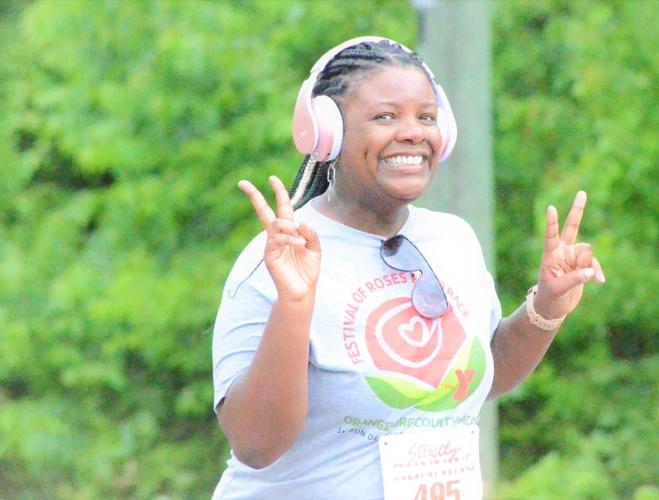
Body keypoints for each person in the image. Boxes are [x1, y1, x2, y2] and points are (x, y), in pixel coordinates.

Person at [211, 36, 605, 499]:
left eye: (426, 116)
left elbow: (483, 375)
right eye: (385, 116)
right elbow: (256, 444)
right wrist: (295, 306)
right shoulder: (279, 257)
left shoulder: (453, 239)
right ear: (327, 133)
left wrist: (547, 306)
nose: (413, 132)